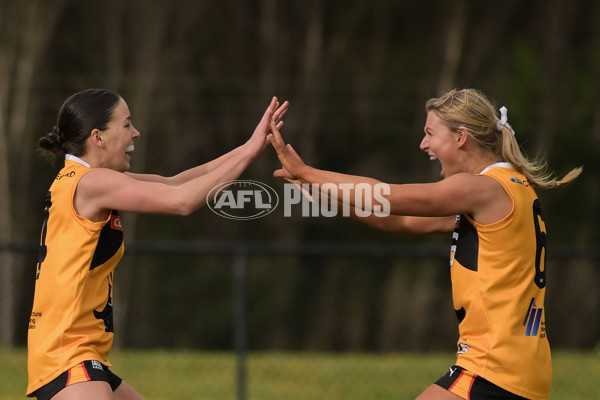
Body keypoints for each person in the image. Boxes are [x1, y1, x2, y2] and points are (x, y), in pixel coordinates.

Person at [267, 88, 581, 400]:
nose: (423, 143)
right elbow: (397, 220)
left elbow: (388, 197)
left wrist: (308, 173)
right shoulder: (510, 188)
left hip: (492, 367)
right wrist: (323, 192)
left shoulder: (482, 189)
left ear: (460, 137)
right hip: (520, 369)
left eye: (430, 133)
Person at [27, 88, 288, 400]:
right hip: (67, 357)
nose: (135, 133)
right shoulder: (91, 182)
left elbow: (175, 183)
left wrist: (250, 146)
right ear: (98, 138)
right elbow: (182, 201)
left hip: (77, 355)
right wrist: (248, 153)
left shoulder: (80, 179)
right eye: (126, 125)